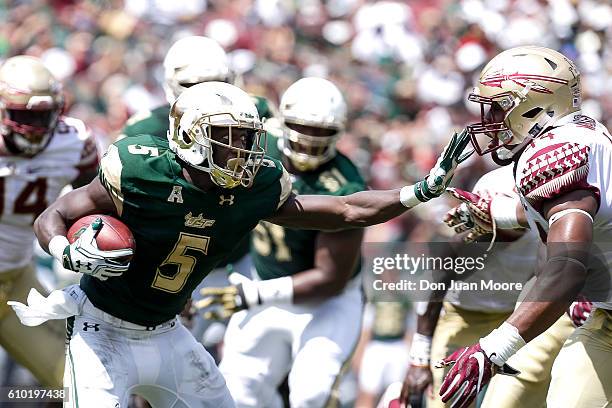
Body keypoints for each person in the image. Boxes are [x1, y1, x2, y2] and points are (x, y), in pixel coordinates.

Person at [16, 81, 469, 407]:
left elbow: (346, 210)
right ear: (191, 137)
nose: (243, 151)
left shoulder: (255, 186)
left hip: (171, 332)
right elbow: (54, 215)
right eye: (227, 138)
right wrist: (65, 250)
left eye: (246, 138)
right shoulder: (140, 169)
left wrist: (420, 190)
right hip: (103, 332)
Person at [436, 46, 612, 408]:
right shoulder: (576, 135)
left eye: (500, 106)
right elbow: (563, 214)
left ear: (535, 104)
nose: (491, 118)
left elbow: (566, 266)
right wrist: (496, 212)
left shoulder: (562, 151)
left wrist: (492, 349)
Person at [198, 77, 366, 407]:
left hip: (327, 304)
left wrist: (255, 293)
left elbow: (330, 279)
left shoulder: (344, 186)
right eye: (303, 127)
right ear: (281, 122)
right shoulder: (259, 144)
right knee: (238, 389)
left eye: (321, 132)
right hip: (265, 283)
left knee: (311, 394)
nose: (310, 140)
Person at [0, 55, 98, 388]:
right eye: (24, 116)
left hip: (17, 278)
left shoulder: (72, 143)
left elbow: (95, 202)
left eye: (43, 116)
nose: (35, 128)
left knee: (79, 385)